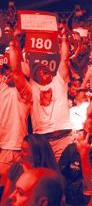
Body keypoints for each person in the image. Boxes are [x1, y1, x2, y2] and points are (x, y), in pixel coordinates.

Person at [27, 30, 73, 161]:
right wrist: (17, 40)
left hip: (63, 140)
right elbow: (19, 68)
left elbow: (64, 59)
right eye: (40, 69)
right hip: (42, 143)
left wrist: (63, 37)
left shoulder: (58, 81)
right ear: (34, 76)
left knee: (65, 176)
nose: (44, 69)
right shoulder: (32, 87)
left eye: (46, 68)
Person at [0, 36, 32, 188]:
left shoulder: (26, 90)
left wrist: (14, 47)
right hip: (3, 146)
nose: (9, 73)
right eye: (5, 69)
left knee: (16, 189)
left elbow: (19, 72)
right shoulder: (2, 86)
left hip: (15, 147)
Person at [1, 134, 62, 205]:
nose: (20, 154)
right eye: (21, 149)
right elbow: (5, 199)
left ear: (37, 153)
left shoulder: (49, 177)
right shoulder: (17, 167)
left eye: (25, 150)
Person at [59, 116, 92, 206]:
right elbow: (60, 176)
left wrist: (84, 155)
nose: (87, 140)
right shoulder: (71, 150)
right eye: (85, 134)